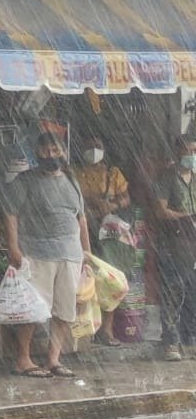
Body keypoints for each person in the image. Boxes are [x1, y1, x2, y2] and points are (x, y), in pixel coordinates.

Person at [4, 133, 90, 379]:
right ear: (37, 154)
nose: (51, 155)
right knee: (32, 310)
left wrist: (87, 253)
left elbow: (81, 219)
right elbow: (10, 214)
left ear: (64, 152)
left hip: (70, 255)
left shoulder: (72, 181)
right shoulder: (25, 181)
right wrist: (14, 248)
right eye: (45, 151)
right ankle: (23, 359)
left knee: (64, 310)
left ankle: (53, 359)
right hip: (37, 254)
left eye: (55, 150)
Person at [75, 134, 128, 346]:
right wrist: (90, 204)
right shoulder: (75, 173)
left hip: (107, 233)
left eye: (97, 146)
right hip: (82, 230)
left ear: (104, 149)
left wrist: (112, 205)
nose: (93, 150)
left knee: (108, 279)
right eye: (89, 146)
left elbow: (126, 198)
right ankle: (84, 330)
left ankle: (106, 330)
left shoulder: (113, 173)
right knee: (83, 279)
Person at [151, 135, 196, 361]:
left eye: (195, 151)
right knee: (172, 291)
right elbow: (161, 211)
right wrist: (186, 217)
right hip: (174, 242)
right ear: (178, 151)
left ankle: (189, 340)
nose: (192, 155)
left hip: (193, 243)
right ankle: (171, 342)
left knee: (192, 292)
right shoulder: (167, 177)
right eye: (189, 151)